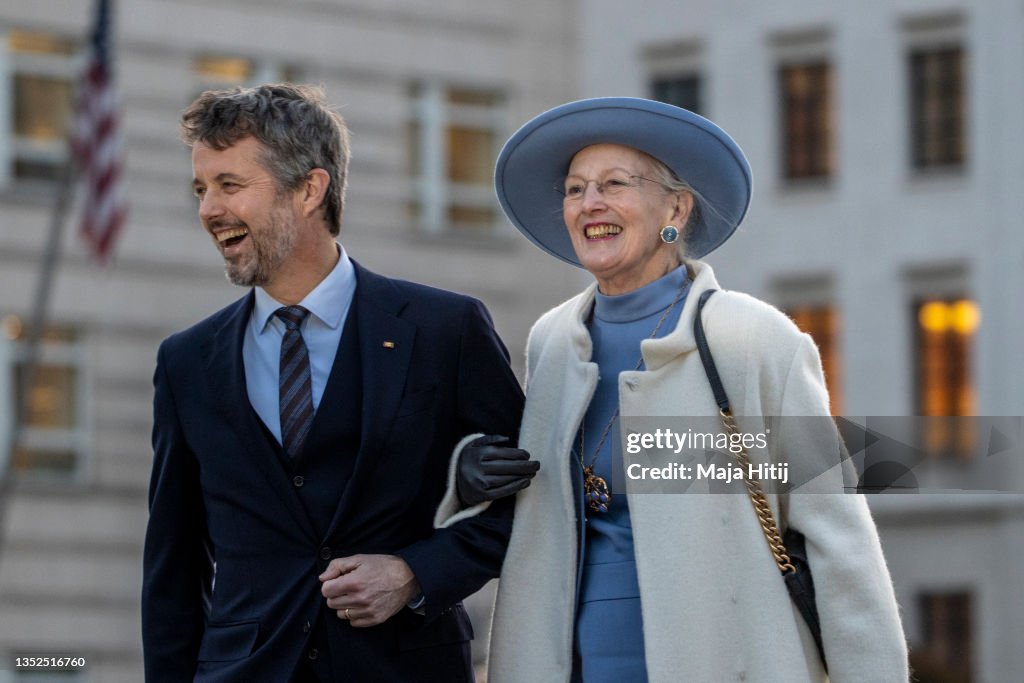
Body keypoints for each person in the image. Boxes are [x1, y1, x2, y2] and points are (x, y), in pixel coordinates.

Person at [444, 98, 909, 682]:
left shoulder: (753, 339)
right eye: (574, 189)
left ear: (677, 208)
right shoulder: (552, 342)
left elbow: (840, 543)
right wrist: (467, 474)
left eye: (614, 184)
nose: (590, 203)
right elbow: (540, 510)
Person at [141, 83, 531, 683]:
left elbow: (531, 503)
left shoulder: (444, 329)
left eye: (230, 185)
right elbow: (172, 567)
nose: (208, 209)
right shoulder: (186, 361)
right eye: (201, 189)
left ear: (309, 189)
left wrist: (415, 572)